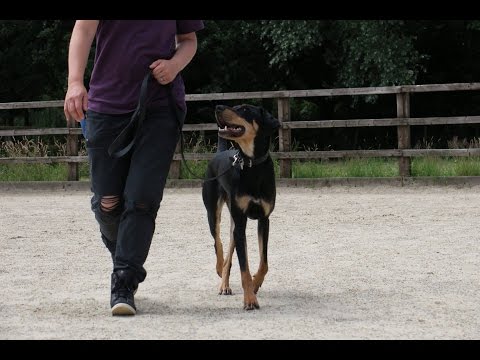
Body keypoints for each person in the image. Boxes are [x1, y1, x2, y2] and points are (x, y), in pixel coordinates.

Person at [64, 20, 204, 316]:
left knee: (142, 198)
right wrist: (75, 82)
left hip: (160, 106)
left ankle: (124, 282)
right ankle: (126, 254)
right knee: (107, 203)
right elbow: (83, 29)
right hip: (106, 104)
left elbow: (189, 40)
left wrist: (175, 65)